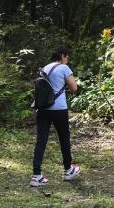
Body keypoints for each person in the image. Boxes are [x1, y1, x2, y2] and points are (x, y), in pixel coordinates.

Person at [30, 45, 81, 187]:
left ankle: (36, 175)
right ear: (62, 56)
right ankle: (68, 170)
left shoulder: (45, 68)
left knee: (41, 141)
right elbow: (74, 88)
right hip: (59, 109)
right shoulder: (64, 68)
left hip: (43, 109)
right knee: (64, 139)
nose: (68, 59)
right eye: (67, 56)